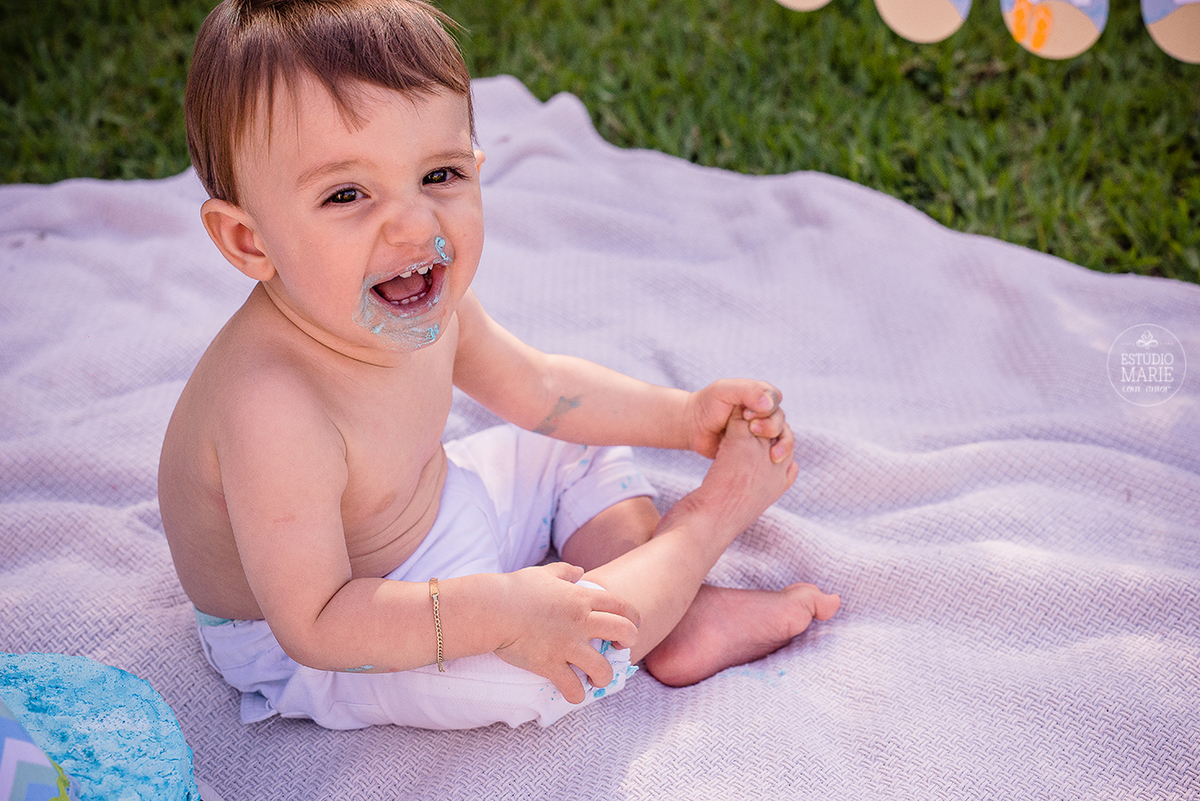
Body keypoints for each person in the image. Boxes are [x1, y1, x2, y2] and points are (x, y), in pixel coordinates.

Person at [159, 0, 840, 731]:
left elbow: (543, 390)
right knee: (550, 669)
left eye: (440, 174)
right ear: (247, 242)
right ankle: (706, 527)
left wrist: (683, 417)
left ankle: (677, 611)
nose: (415, 225)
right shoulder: (272, 407)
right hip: (342, 636)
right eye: (347, 194)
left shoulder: (426, 304)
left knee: (569, 444)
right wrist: (501, 614)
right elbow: (317, 623)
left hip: (432, 511)